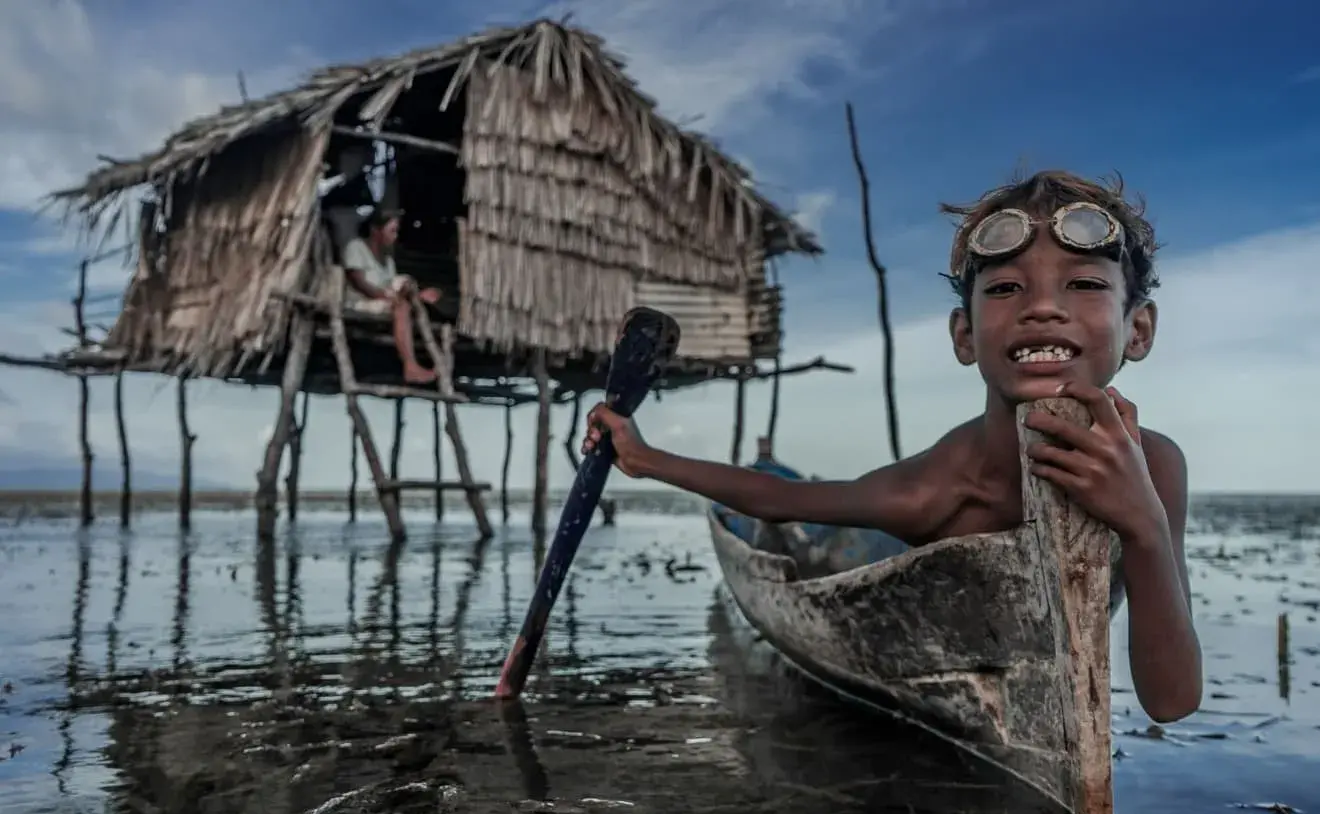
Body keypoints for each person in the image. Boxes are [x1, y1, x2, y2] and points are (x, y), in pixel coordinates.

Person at [582, 170, 1202, 723]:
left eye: (1085, 284)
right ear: (964, 336)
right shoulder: (938, 488)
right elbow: (783, 498)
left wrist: (1143, 524)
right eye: (1006, 289)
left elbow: (1170, 702)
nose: (1042, 307)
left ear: (1137, 330)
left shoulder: (1155, 467)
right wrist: (644, 458)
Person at [342, 209, 440, 384]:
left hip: (383, 303)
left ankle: (418, 296)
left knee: (406, 286)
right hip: (360, 303)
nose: (395, 236)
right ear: (376, 230)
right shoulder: (356, 247)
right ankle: (410, 366)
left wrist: (404, 294)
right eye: (392, 230)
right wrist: (387, 297)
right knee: (402, 307)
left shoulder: (388, 262)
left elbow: (392, 288)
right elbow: (359, 283)